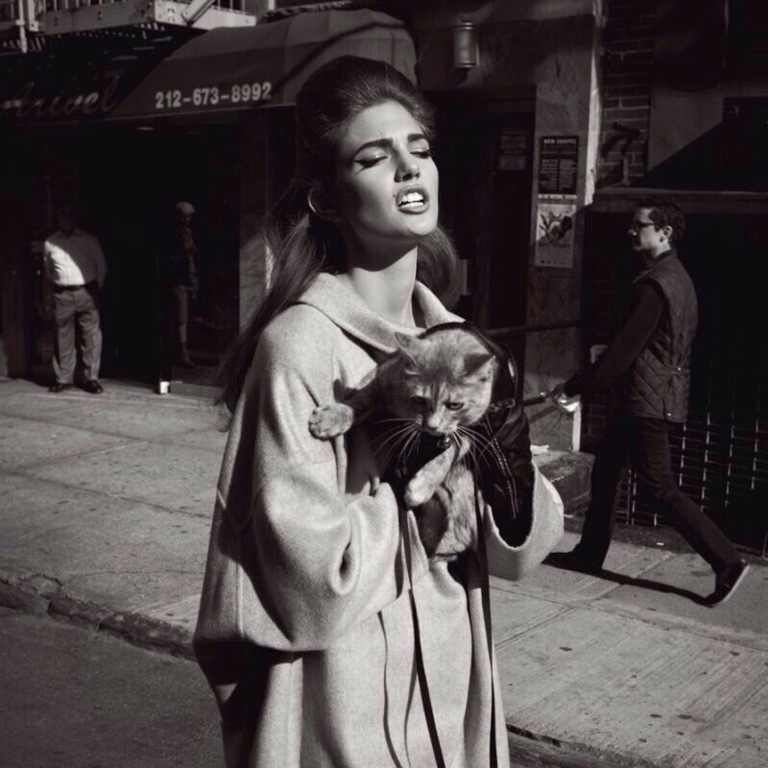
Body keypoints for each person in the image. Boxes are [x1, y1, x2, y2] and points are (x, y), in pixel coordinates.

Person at [193, 56, 563, 768]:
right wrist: (418, 501)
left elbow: (515, 558)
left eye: (418, 148)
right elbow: (311, 586)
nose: (408, 166)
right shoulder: (300, 346)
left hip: (453, 704)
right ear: (327, 200)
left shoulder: (459, 344)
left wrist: (510, 480)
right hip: (341, 716)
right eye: (373, 156)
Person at [548, 198, 749, 606]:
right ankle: (589, 553)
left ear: (664, 232)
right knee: (607, 470)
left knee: (660, 487)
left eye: (640, 225)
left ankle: (728, 563)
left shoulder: (655, 285)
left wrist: (575, 386)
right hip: (646, 398)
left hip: (647, 403)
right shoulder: (677, 277)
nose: (631, 231)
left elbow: (624, 351)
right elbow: (653, 346)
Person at [43, 205, 107, 394]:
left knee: (91, 336)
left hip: (86, 291)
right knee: (62, 336)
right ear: (58, 218)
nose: (66, 219)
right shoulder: (50, 242)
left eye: (70, 215)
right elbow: (48, 270)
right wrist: (58, 287)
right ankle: (63, 379)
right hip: (62, 294)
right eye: (62, 215)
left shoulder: (88, 240)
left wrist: (92, 290)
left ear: (75, 218)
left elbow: (102, 267)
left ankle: (91, 378)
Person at [166, 201, 199, 368]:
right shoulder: (174, 236)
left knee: (187, 316)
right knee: (181, 317)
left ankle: (183, 349)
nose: (186, 220)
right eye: (183, 217)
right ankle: (182, 351)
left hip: (189, 278)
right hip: (179, 280)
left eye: (188, 217)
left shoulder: (189, 234)